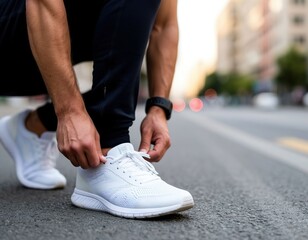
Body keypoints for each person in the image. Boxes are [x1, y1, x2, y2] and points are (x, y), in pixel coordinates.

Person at [0, 0, 194, 218]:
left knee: (112, 85)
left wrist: (159, 108)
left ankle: (31, 129)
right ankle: (107, 153)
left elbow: (165, 24)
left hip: (47, 51)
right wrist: (69, 111)